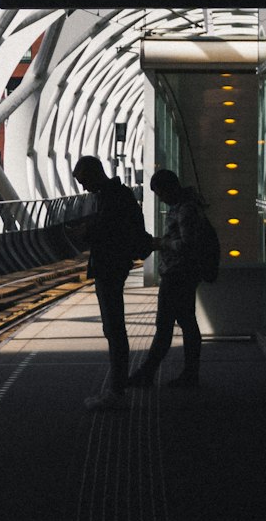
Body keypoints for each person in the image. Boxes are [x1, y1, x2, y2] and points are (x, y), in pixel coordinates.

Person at [72, 154, 144, 411]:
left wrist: (87, 232)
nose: (83, 188)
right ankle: (117, 386)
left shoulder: (111, 197)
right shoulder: (117, 194)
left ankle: (116, 390)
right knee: (113, 328)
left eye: (83, 181)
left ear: (94, 174)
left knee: (114, 328)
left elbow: (109, 230)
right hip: (115, 265)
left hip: (109, 266)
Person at [127, 168, 205, 389]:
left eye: (160, 193)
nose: (160, 199)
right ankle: (185, 373)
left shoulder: (185, 210)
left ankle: (150, 373)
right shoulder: (187, 206)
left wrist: (161, 243)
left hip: (178, 274)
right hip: (182, 274)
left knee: (168, 325)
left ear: (169, 189)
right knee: (185, 323)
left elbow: (187, 244)